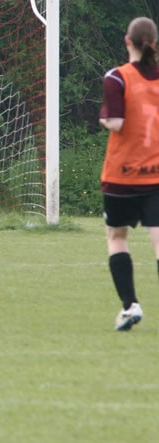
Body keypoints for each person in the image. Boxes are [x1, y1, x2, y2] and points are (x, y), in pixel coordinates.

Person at [99, 16, 159, 331]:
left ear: (127, 41)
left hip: (121, 175)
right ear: (155, 44)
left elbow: (116, 123)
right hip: (156, 176)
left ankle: (130, 305)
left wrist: (103, 118)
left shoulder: (117, 77)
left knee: (117, 237)